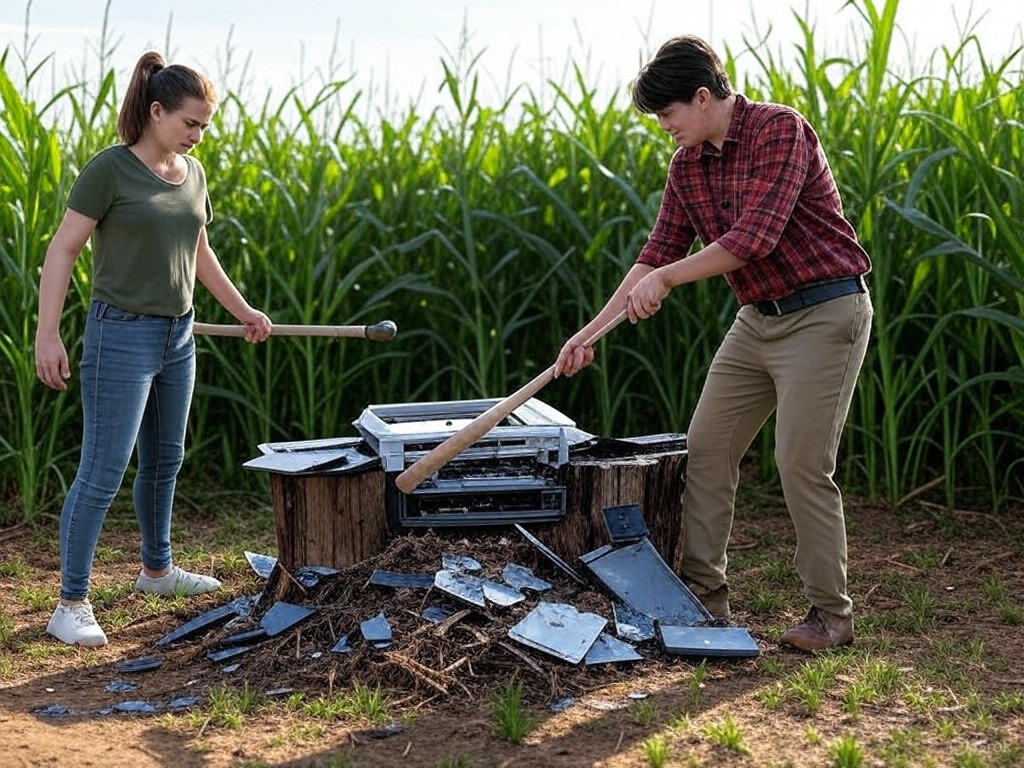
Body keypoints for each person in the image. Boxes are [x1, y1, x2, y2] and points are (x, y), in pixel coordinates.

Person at [554, 35, 873, 652]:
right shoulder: (686, 166)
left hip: (826, 310)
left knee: (801, 463)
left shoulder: (781, 131)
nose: (665, 127)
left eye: (669, 114)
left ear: (702, 98)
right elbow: (657, 254)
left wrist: (668, 280)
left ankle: (831, 616)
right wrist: (589, 334)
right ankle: (704, 602)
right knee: (705, 450)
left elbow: (754, 237)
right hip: (757, 318)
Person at [34, 51, 272, 647]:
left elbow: (197, 250)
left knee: (166, 460)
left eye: (205, 127)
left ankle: (157, 571)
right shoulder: (109, 171)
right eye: (190, 123)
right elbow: (62, 250)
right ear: (157, 110)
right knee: (103, 470)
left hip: (178, 334)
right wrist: (48, 332)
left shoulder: (192, 175)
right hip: (121, 333)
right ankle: (70, 602)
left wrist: (241, 310)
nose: (197, 135)